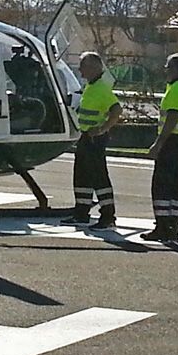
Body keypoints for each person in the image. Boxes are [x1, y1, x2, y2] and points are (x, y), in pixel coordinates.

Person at [62, 52, 123, 230]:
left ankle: (108, 216)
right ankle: (81, 212)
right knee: (81, 176)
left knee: (99, 177)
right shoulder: (91, 86)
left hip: (95, 139)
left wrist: (103, 129)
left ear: (94, 67)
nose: (80, 71)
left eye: (83, 67)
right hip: (85, 137)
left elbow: (116, 110)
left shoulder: (101, 89)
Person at [142, 52, 178, 242]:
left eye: (168, 67)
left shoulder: (175, 89)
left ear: (175, 69)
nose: (165, 70)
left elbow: (172, 117)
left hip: (172, 142)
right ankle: (174, 224)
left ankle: (162, 225)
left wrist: (158, 143)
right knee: (177, 185)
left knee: (162, 185)